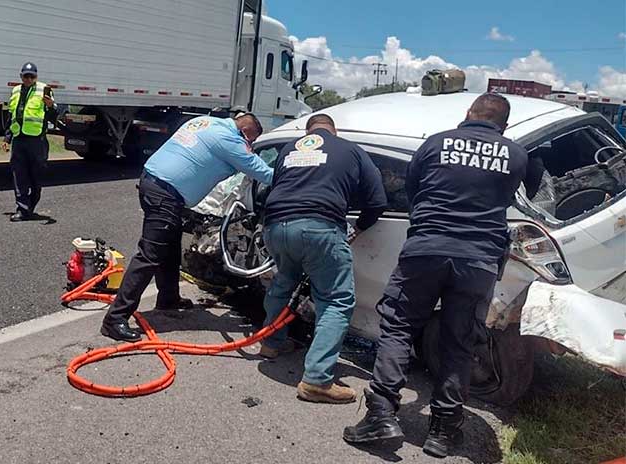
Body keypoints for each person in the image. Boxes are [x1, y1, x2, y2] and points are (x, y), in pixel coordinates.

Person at [343, 93, 529, 458]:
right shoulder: (516, 155)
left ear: (467, 115)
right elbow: (511, 195)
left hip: (426, 249)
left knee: (398, 328)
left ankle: (381, 414)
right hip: (479, 260)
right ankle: (443, 431)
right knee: (459, 343)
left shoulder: (435, 143)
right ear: (503, 125)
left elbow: (413, 191)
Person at [100, 113, 273, 341]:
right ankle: (115, 319)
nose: (248, 146)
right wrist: (300, 175)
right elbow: (263, 172)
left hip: (153, 182)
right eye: (250, 142)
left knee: (170, 247)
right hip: (165, 194)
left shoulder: (205, 121)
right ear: (245, 134)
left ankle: (168, 298)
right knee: (149, 256)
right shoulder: (230, 140)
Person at [259, 114, 387, 404]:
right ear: (334, 130)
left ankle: (270, 343)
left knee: (283, 282)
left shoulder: (289, 150)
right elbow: (377, 199)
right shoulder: (350, 149)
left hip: (276, 226)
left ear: (308, 132)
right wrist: (360, 226)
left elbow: (274, 188)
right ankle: (316, 380)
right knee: (336, 300)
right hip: (319, 227)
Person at [2, 62, 57, 221]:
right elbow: (13, 116)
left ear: (36, 77)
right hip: (19, 139)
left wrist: (51, 105)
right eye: (26, 76)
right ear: (21, 76)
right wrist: (7, 137)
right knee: (19, 175)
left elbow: (54, 116)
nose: (28, 79)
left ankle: (30, 205)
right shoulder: (16, 90)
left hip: (37, 141)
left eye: (31, 76)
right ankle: (22, 209)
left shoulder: (43, 89)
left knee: (36, 176)